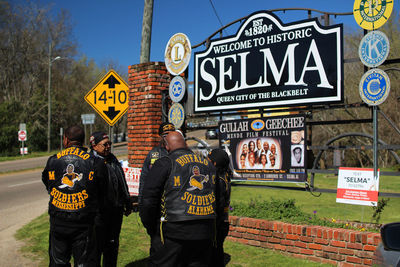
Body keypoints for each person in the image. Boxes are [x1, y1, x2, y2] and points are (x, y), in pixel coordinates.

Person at [139, 131, 218, 266]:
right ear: (186, 144)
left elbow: (148, 199)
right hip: (205, 229)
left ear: (167, 147)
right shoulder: (207, 164)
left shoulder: (165, 163)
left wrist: (151, 226)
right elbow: (219, 196)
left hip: (174, 230)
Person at [41, 125, 107, 267]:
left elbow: (48, 184)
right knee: (84, 263)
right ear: (82, 141)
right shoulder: (95, 162)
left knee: (58, 262)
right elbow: (103, 191)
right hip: (84, 222)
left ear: (65, 140)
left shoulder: (53, 160)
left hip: (59, 220)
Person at [89, 131, 133, 267]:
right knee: (96, 249)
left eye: (109, 144)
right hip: (98, 214)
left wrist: (127, 201)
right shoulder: (89, 162)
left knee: (112, 246)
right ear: (94, 145)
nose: (108, 146)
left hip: (115, 211)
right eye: (105, 144)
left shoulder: (113, 159)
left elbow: (122, 181)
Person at [139, 122, 175, 205]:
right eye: (165, 134)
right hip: (157, 199)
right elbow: (144, 179)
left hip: (174, 199)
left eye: (171, 134)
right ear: (160, 136)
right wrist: (141, 202)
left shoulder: (179, 153)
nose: (168, 137)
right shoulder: (153, 154)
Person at [208, 148, 232, 267]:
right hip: (222, 221)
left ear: (215, 163)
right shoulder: (224, 175)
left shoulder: (219, 180)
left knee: (215, 253)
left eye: (209, 160)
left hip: (218, 222)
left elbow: (219, 203)